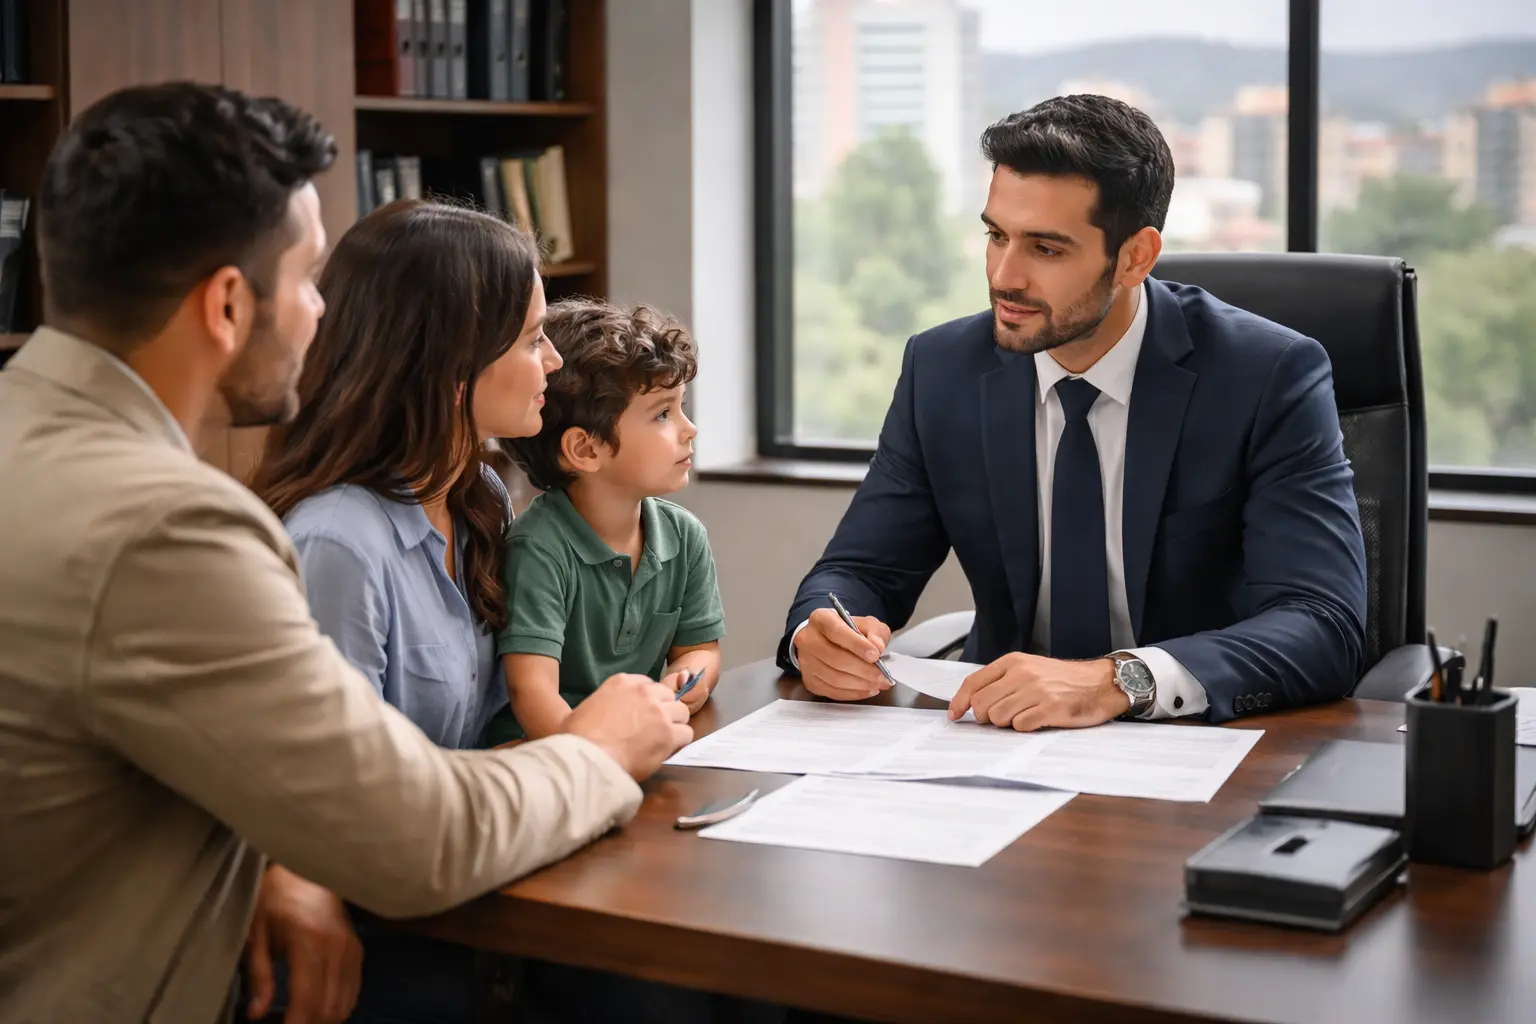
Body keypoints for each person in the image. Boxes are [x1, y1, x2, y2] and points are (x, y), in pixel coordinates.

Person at [0, 82, 692, 1024]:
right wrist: (601, 749)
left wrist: (275, 859)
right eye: (307, 278)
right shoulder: (166, 529)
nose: (325, 312)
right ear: (229, 304)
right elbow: (415, 837)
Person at [781, 94, 1368, 731]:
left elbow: (1322, 622)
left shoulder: (1266, 376)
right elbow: (860, 571)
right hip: (999, 742)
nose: (1004, 276)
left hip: (1194, 747)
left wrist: (1118, 680)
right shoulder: (942, 370)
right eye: (996, 235)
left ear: (1136, 257)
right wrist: (823, 634)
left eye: (1047, 249)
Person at [245, 199, 565, 1021]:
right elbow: (329, 810)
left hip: (471, 886)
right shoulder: (340, 545)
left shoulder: (480, 497)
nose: (555, 361)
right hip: (383, 928)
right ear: (453, 361)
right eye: (533, 337)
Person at [486, 298, 724, 744]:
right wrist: (596, 757)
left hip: (632, 747)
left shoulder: (684, 536)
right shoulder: (539, 548)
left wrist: (688, 679)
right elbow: (531, 691)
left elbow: (700, 649)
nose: (689, 428)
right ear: (586, 450)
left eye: (681, 407)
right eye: (662, 414)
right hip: (550, 757)